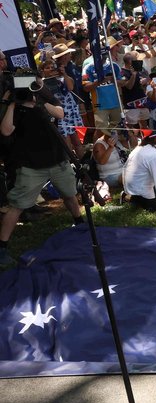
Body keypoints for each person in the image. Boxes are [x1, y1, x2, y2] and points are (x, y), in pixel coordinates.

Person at [0, 76, 84, 266]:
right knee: (17, 206)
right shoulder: (16, 110)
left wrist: (40, 94)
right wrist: (13, 104)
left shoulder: (42, 105)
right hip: (31, 167)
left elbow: (60, 113)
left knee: (70, 195)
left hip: (57, 161)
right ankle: (2, 247)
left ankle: (79, 224)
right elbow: (5, 131)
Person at [122, 131, 156, 211]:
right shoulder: (154, 154)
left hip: (130, 190)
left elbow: (124, 168)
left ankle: (128, 198)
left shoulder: (139, 148)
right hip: (143, 196)